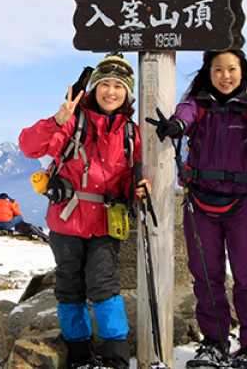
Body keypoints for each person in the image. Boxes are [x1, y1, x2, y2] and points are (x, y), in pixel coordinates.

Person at [146, 49, 247, 369]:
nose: (225, 76)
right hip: (201, 203)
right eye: (218, 69)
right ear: (208, 73)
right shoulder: (198, 104)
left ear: (242, 71)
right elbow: (185, 113)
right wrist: (178, 126)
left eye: (231, 69)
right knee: (206, 277)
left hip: (242, 203)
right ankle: (214, 342)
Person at [19, 53, 151, 369]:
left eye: (118, 86)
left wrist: (139, 189)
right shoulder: (74, 121)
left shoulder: (131, 132)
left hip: (106, 221)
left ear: (127, 92)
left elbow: (133, 174)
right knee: (69, 285)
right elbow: (28, 146)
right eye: (104, 83)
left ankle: (115, 355)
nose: (110, 91)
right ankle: (79, 354)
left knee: (103, 283)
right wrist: (56, 121)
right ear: (93, 88)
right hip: (66, 221)